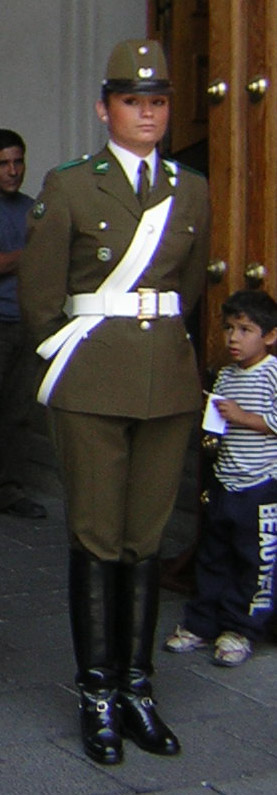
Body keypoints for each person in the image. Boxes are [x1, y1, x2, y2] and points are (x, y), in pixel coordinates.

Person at [18, 39, 209, 765]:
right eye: (134, 101)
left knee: (145, 539)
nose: (148, 113)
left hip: (164, 382)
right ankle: (96, 691)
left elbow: (185, 288)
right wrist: (75, 363)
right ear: (106, 109)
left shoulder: (189, 189)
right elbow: (41, 299)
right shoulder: (70, 185)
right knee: (97, 537)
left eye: (157, 101)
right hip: (92, 382)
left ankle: (138, 687)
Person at [165, 289, 277, 667]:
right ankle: (201, 623)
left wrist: (243, 417)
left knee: (253, 560)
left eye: (246, 329)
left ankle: (240, 628)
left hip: (260, 485)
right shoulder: (226, 375)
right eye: (229, 328)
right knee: (213, 554)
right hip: (225, 481)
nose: (234, 338)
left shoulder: (272, 373)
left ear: (270, 336)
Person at [0, 129, 46, 518]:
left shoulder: (32, 209)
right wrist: (34, 251)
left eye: (18, 161)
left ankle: (9, 491)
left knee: (18, 413)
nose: (13, 171)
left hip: (23, 323)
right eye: (3, 163)